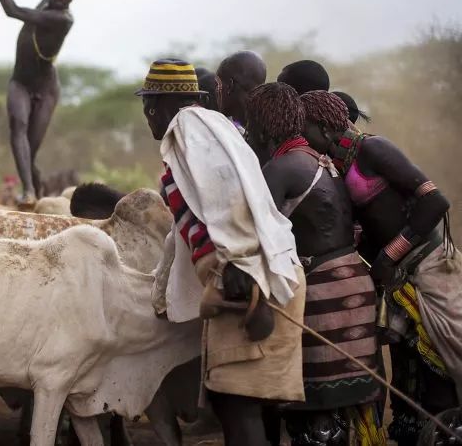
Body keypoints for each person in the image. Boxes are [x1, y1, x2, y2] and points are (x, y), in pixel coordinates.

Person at [141, 58, 306, 446]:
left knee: (238, 406)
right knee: (235, 403)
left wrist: (239, 264)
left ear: (157, 104)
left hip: (249, 283)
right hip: (259, 275)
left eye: (148, 105)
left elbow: (226, 194)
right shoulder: (214, 126)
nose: (147, 116)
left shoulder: (189, 127)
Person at [300, 90, 459, 445]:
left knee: (445, 360)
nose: (301, 135)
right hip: (399, 280)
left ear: (325, 127)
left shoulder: (373, 149)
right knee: (411, 365)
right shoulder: (331, 163)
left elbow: (435, 201)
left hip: (430, 267)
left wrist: (388, 256)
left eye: (304, 127)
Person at [246, 83, 382, 445]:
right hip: (351, 278)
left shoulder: (282, 168)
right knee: (338, 410)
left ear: (261, 128)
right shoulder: (319, 160)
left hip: (322, 290)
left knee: (317, 416)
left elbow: (257, 235)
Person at [0, 0, 122, 204]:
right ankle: (28, 191)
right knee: (18, 127)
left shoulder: (62, 19)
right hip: (21, 83)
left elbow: (12, 10)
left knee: (30, 151)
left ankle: (34, 186)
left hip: (46, 88)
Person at [215, 50, 267, 133]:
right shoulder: (274, 122)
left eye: (218, 84)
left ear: (230, 85)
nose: (216, 91)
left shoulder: (221, 132)